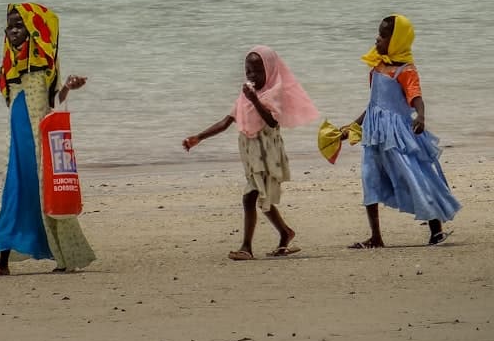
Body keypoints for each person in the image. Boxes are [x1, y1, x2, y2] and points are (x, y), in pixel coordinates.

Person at [0, 3, 96, 277]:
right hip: (17, 150)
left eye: (19, 25)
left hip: (40, 146)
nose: (13, 30)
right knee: (13, 195)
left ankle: (64, 259)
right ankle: (3, 261)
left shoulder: (45, 68)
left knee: (46, 198)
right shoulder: (9, 69)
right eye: (10, 25)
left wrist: (68, 87)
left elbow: (52, 102)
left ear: (34, 30)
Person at [183, 46, 319, 260]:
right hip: (251, 154)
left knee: (250, 197)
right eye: (248, 71)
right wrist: (198, 138)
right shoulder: (244, 95)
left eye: (257, 71)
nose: (252, 76)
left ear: (271, 71)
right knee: (262, 199)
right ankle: (285, 232)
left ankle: (246, 247)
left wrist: (255, 99)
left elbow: (272, 121)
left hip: (267, 154)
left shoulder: (273, 93)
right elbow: (226, 121)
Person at [342, 14, 461, 248]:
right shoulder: (377, 65)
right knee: (370, 179)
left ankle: (435, 231)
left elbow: (416, 97)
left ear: (397, 40)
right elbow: (373, 104)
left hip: (397, 135)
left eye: (384, 35)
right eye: (379, 33)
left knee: (414, 177)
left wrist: (421, 116)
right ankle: (376, 237)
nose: (378, 39)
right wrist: (353, 126)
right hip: (374, 132)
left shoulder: (406, 70)